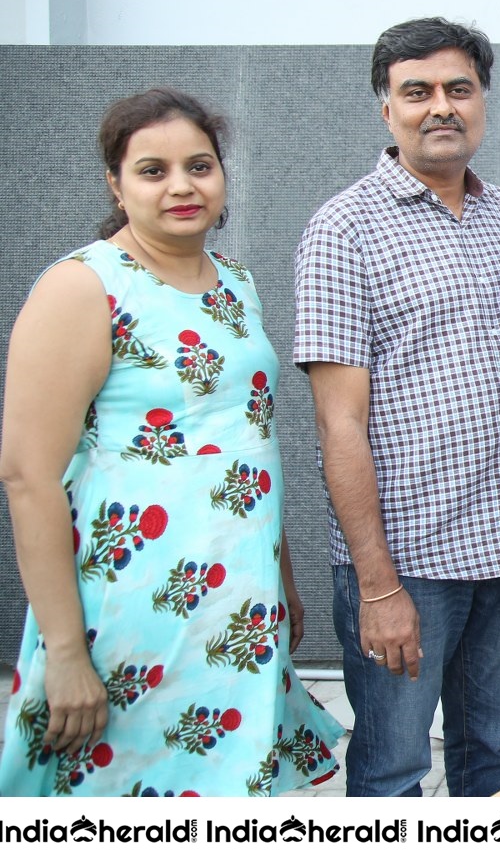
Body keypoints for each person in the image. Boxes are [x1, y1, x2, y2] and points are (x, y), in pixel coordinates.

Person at [0, 89, 341, 796]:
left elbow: (245, 440)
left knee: (226, 795)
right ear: (116, 185)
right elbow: (27, 475)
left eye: (200, 165)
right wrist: (65, 653)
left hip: (236, 609)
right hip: (131, 613)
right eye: (153, 170)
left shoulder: (235, 283)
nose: (182, 186)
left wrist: (280, 582)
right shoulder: (82, 286)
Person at [294, 18, 500, 796]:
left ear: (483, 102)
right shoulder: (343, 228)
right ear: (386, 108)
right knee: (395, 766)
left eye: (458, 89)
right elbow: (339, 423)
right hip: (407, 565)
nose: (441, 106)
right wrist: (376, 585)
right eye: (417, 91)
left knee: (495, 751)